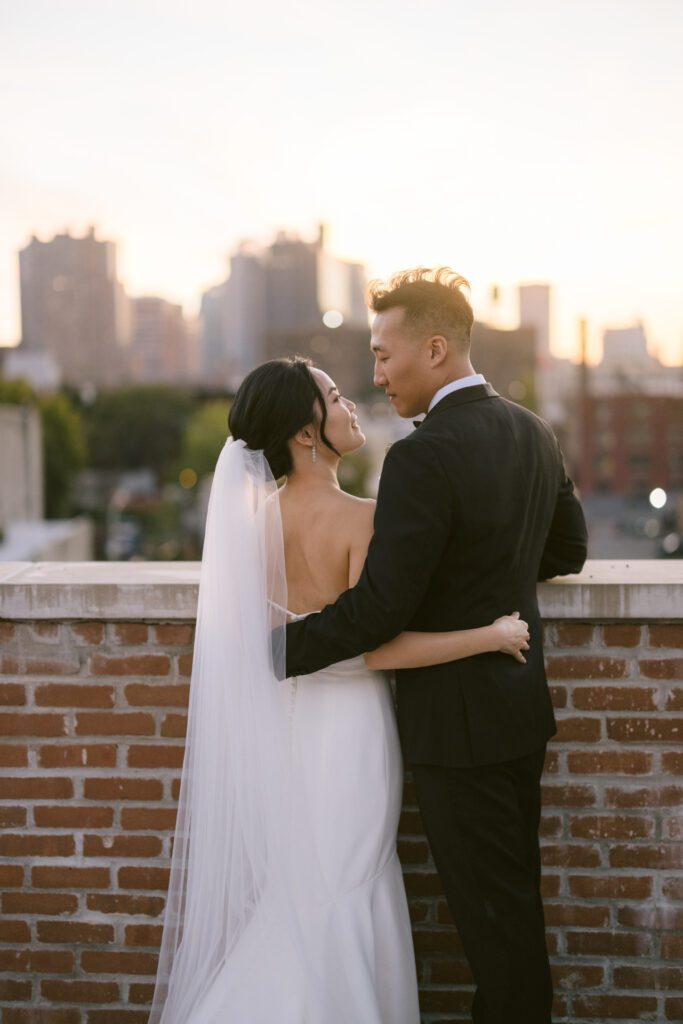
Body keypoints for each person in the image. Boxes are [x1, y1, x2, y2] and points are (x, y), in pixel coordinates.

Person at [148, 354, 532, 1024]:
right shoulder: (363, 518)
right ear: (304, 434)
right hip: (351, 732)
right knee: (351, 882)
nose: (350, 403)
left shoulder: (255, 523)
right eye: (333, 396)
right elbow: (377, 646)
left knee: (300, 889)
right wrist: (489, 636)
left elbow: (266, 647)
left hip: (284, 729)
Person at [284, 268, 589, 1024]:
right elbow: (568, 549)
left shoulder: (421, 458)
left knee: (497, 930)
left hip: (456, 731)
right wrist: (492, 573)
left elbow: (380, 608)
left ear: (436, 347)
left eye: (386, 356)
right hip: (518, 716)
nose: (377, 374)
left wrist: (273, 650)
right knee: (510, 911)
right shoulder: (531, 431)